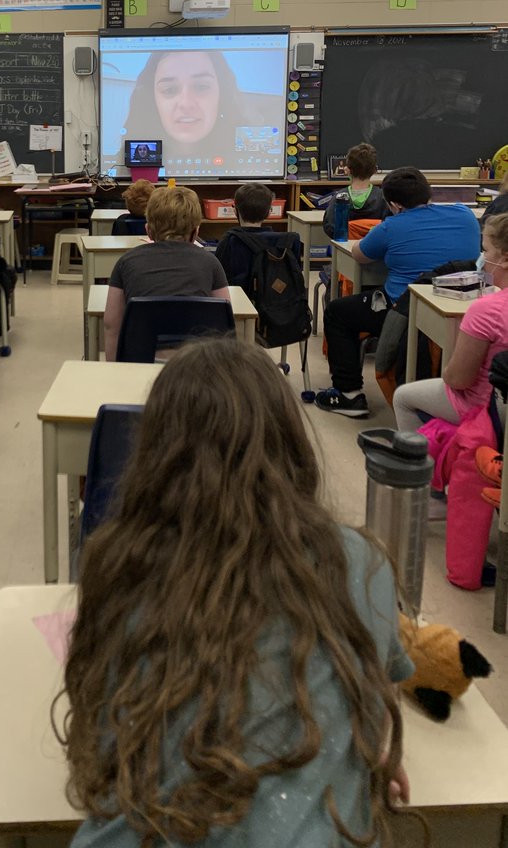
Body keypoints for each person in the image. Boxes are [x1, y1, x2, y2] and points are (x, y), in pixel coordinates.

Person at [59, 338, 415, 848]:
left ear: (153, 453)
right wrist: (358, 752)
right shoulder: (360, 562)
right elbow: (377, 693)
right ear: (292, 443)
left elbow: (100, 729)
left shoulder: (120, 563)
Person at [317, 167, 481, 417]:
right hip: (463, 309)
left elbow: (359, 255)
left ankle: (348, 394)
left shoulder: (391, 226)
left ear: (394, 204)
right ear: (428, 193)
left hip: (404, 310)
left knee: (337, 311)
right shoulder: (465, 215)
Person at [394, 213, 508, 431]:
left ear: (504, 258)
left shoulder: (486, 310)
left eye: (485, 251)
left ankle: (422, 452)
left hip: (489, 410)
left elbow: (458, 380)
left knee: (403, 397)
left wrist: (446, 369)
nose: (481, 258)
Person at [103, 186, 229, 361]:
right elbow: (223, 321)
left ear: (148, 230)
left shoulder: (126, 262)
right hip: (197, 365)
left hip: (139, 364)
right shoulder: (211, 263)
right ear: (196, 232)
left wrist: (115, 371)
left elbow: (112, 327)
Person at [122, 50, 279, 171]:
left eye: (201, 87)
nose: (186, 103)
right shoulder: (127, 163)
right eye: (169, 90)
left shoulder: (252, 161)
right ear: (152, 100)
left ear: (222, 94)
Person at [215, 181, 281, 288]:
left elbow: (218, 275)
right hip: (270, 296)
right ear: (269, 212)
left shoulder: (228, 240)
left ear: (235, 211)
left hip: (237, 296)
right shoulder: (278, 242)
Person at [322, 142, 389, 238]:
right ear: (375, 170)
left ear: (347, 170)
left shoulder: (339, 197)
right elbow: (390, 226)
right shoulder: (384, 197)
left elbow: (330, 226)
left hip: (345, 246)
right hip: (376, 246)